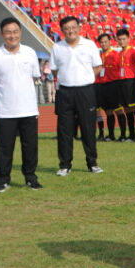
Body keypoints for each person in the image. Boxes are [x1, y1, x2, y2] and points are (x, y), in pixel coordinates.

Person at [0, 18, 42, 192]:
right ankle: (3, 180)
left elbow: (34, 76)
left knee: (30, 146)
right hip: (6, 111)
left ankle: (31, 178)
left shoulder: (30, 53)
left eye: (15, 31)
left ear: (20, 32)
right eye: (8, 32)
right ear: (2, 34)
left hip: (28, 109)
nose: (12, 35)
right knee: (5, 148)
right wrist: (5, 91)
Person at [51, 15, 103, 176]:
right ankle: (65, 165)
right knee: (64, 130)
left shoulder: (89, 45)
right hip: (65, 92)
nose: (70, 31)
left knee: (88, 128)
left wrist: (86, 77)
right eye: (67, 28)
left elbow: (98, 66)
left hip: (85, 91)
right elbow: (54, 69)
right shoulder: (57, 47)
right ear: (62, 31)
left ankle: (92, 163)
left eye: (73, 27)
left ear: (79, 28)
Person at [116, 29, 135, 141]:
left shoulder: (133, 52)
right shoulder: (119, 54)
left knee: (134, 109)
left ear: (128, 39)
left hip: (130, 82)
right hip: (122, 83)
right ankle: (132, 135)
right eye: (119, 39)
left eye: (124, 39)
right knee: (127, 110)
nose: (122, 41)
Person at [97, 33, 120, 141]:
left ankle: (124, 135)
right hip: (103, 85)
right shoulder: (99, 56)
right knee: (108, 112)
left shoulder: (115, 54)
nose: (104, 44)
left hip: (114, 85)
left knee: (118, 110)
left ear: (110, 42)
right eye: (101, 42)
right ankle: (111, 135)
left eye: (106, 41)